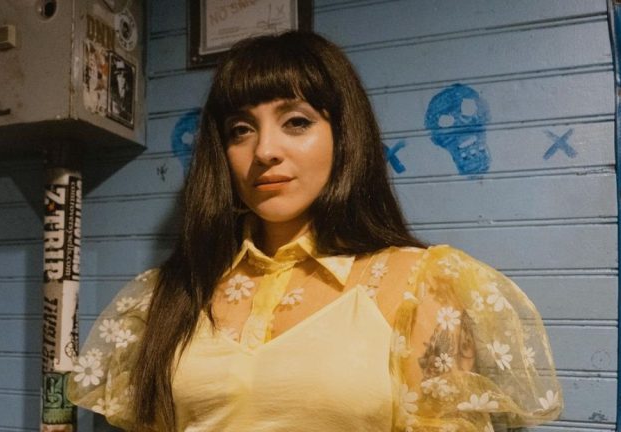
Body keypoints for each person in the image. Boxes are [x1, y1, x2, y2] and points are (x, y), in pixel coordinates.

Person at [67, 31, 562, 431]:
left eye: (296, 122)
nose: (265, 150)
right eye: (241, 129)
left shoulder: (420, 284)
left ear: (344, 136)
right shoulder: (171, 292)